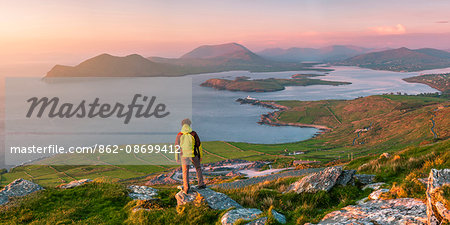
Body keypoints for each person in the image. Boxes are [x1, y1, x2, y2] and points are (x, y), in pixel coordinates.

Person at [175, 118, 205, 193]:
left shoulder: (179, 134)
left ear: (182, 125)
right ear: (189, 124)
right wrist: (200, 156)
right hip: (193, 154)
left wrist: (177, 157)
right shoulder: (193, 133)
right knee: (198, 168)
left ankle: (186, 188)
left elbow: (177, 147)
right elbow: (199, 146)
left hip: (183, 156)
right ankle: (201, 184)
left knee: (185, 171)